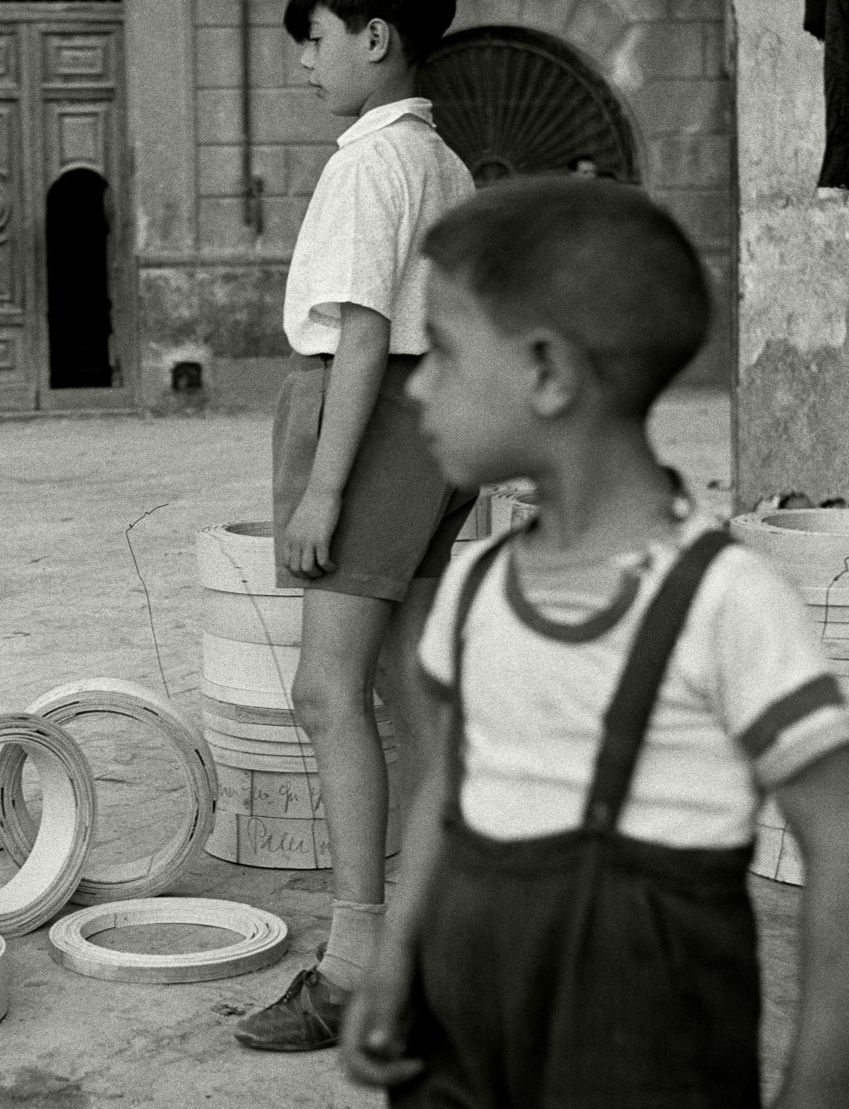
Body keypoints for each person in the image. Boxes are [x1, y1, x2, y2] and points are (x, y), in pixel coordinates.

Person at [342, 177, 849, 1107]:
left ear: (548, 373)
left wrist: (817, 1088)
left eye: (443, 352)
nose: (416, 386)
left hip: (649, 1055)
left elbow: (841, 838)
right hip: (466, 1033)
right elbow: (447, 787)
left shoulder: (726, 603)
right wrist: (396, 960)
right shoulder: (475, 589)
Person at [234, 0, 478, 1052]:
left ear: (376, 39)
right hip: (432, 425)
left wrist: (323, 490)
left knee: (326, 694)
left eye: (315, 39)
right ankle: (430, 949)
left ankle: (351, 967)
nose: (304, 62)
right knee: (409, 696)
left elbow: (365, 330)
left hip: (368, 421)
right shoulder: (443, 160)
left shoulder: (370, 162)